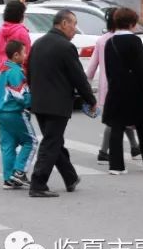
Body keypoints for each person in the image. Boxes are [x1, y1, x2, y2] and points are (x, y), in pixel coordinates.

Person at [26, 10, 96, 198]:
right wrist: (91, 100)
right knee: (51, 142)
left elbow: (29, 72)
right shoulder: (65, 47)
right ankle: (38, 183)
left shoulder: (38, 43)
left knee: (54, 140)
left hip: (40, 102)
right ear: (64, 23)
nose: (75, 29)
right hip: (57, 103)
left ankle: (70, 177)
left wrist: (34, 94)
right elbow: (78, 77)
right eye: (74, 24)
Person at [102, 8, 143, 174]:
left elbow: (108, 69)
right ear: (132, 23)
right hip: (135, 91)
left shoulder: (111, 42)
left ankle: (116, 166)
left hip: (116, 90)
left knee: (116, 127)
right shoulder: (134, 41)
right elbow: (142, 70)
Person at [86, 9, 140, 163]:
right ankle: (103, 152)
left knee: (123, 117)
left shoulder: (102, 40)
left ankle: (135, 147)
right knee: (115, 120)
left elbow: (91, 67)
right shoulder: (124, 39)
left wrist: (85, 84)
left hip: (106, 85)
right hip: (121, 86)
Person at [0, 39, 36, 189]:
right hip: (14, 112)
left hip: (1, 112)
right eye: (24, 53)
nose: (26, 55)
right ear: (16, 55)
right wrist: (31, 100)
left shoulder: (3, 70)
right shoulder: (15, 72)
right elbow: (20, 95)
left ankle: (8, 178)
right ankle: (19, 171)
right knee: (31, 142)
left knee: (8, 145)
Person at [0, 1, 31, 73]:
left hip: (3, 70)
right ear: (20, 15)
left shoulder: (0, 31)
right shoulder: (21, 32)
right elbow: (27, 55)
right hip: (19, 73)